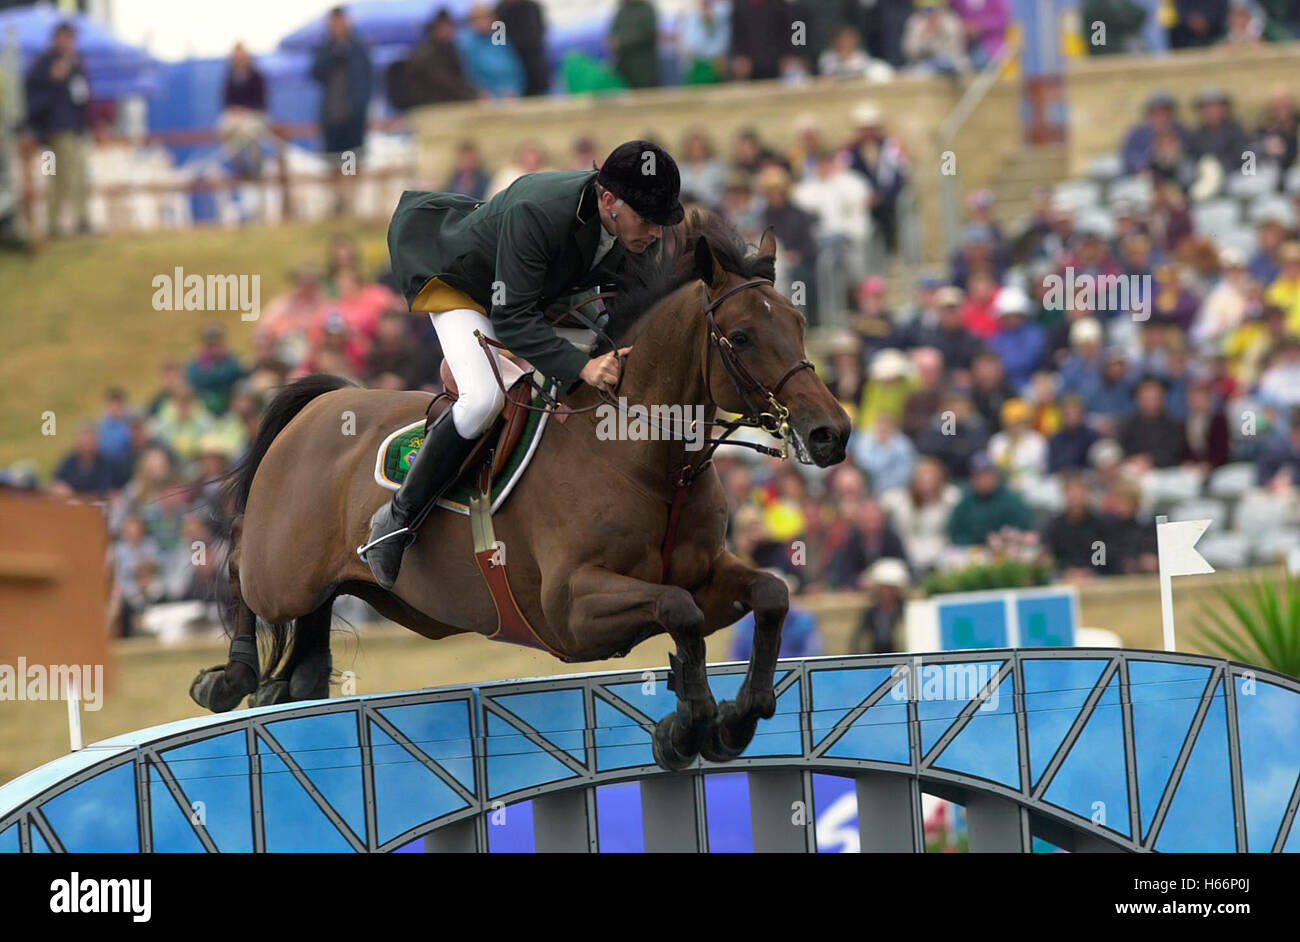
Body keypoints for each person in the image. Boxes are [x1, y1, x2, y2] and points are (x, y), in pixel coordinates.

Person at [367, 141, 684, 588]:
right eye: (647, 219)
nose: (654, 230)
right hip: (467, 285)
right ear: (609, 200)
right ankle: (396, 520)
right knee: (482, 400)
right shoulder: (540, 209)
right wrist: (582, 369)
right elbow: (512, 319)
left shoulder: (633, 230)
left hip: (534, 290)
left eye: (660, 221)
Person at [24, 21, 91, 237]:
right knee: (54, 176)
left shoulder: (76, 63)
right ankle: (54, 225)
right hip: (51, 133)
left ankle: (80, 222)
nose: (68, 42)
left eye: (71, 38)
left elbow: (83, 96)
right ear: (56, 38)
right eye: (64, 37)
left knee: (77, 175)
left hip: (74, 130)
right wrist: (52, 80)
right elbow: (32, 99)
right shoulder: (43, 64)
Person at [310, 7, 373, 214]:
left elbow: (369, 79)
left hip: (352, 118)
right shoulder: (325, 49)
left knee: (351, 159)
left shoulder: (358, 48)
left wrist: (362, 106)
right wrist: (335, 53)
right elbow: (315, 73)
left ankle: (349, 200)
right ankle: (337, 200)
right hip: (331, 117)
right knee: (333, 161)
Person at [947, 451, 1034, 546]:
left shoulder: (1012, 500)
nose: (983, 480)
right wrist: (974, 543)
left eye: (987, 475)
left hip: (1005, 550)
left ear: (996, 476)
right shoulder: (966, 501)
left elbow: (1023, 528)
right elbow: (955, 531)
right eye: (978, 476)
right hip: (971, 551)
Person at [406, 10, 481, 107]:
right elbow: (444, 82)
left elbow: (458, 78)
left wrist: (474, 93)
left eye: (451, 27)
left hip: (450, 100)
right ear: (435, 29)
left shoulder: (449, 48)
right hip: (431, 104)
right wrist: (473, 95)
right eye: (444, 27)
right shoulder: (427, 54)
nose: (449, 31)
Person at [459, 3, 526, 98]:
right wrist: (478, 93)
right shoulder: (465, 43)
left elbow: (514, 69)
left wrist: (514, 89)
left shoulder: (501, 39)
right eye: (478, 19)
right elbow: (468, 73)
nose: (482, 23)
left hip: (508, 95)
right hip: (481, 97)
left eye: (485, 18)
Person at [851, 558, 909, 654]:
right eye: (882, 587)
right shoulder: (870, 614)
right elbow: (859, 644)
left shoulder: (906, 613)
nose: (886, 592)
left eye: (890, 588)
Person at [497, 0, 550, 96]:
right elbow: (498, 39)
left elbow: (538, 35)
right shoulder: (500, 9)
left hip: (534, 65)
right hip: (511, 66)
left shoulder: (531, 7)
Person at [609, 0, 660, 89]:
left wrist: (622, 42)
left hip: (643, 66)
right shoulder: (622, 10)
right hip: (624, 64)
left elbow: (648, 34)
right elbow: (613, 31)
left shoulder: (646, 9)